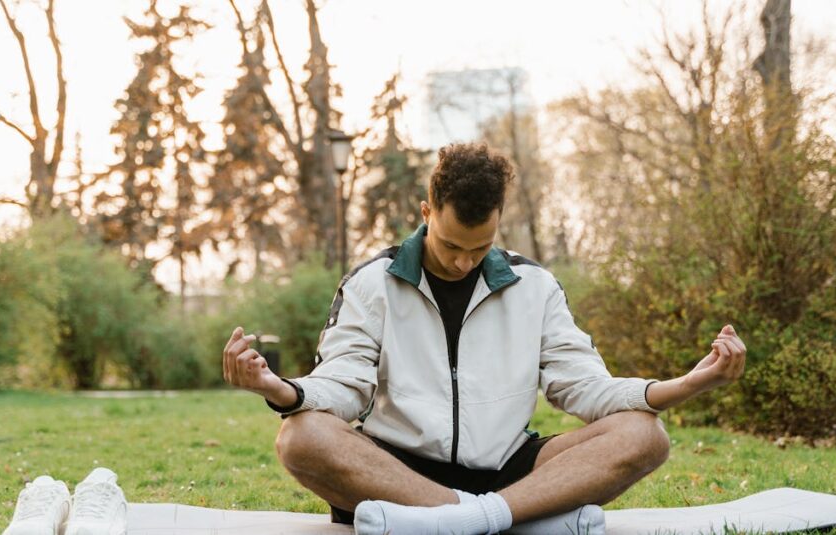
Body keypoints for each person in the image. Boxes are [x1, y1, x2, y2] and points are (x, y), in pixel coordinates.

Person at [222, 143, 747, 535]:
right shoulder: (371, 283)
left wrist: (680, 386)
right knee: (301, 436)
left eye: (480, 247)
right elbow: (345, 384)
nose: (463, 261)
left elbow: (584, 386)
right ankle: (504, 520)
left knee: (644, 434)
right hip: (398, 471)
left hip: (510, 470)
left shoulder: (535, 286)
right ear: (426, 213)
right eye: (451, 244)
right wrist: (283, 391)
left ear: (498, 224)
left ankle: (464, 520)